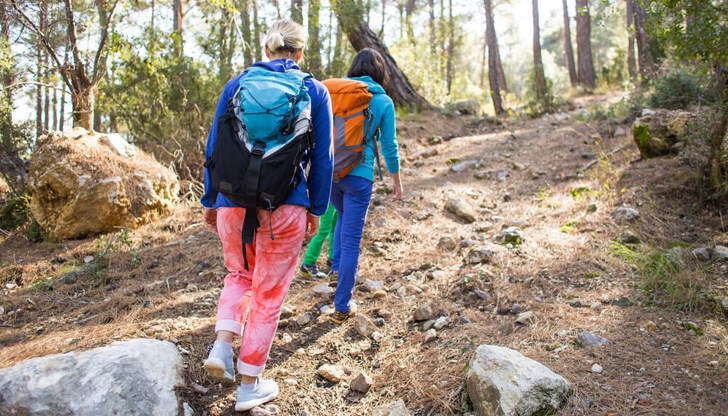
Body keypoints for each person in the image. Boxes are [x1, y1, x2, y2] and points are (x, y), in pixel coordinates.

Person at [200, 20, 333, 411]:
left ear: (266, 48)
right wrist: (316, 209)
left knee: (239, 275)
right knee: (269, 294)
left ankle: (222, 346)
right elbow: (322, 160)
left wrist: (212, 200)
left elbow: (214, 146)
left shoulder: (236, 84)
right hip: (285, 205)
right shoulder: (313, 90)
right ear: (300, 53)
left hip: (232, 205)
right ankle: (249, 384)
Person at [329, 48, 403, 325]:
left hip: (329, 173)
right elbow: (389, 145)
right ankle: (342, 306)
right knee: (351, 241)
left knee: (343, 217)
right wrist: (396, 181)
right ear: (380, 71)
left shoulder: (335, 92)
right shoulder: (383, 101)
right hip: (359, 175)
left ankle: (336, 269)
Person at [298, 203, 338, 278]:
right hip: (328, 197)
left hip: (337, 194)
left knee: (335, 226)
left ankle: (332, 260)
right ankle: (308, 264)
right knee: (323, 229)